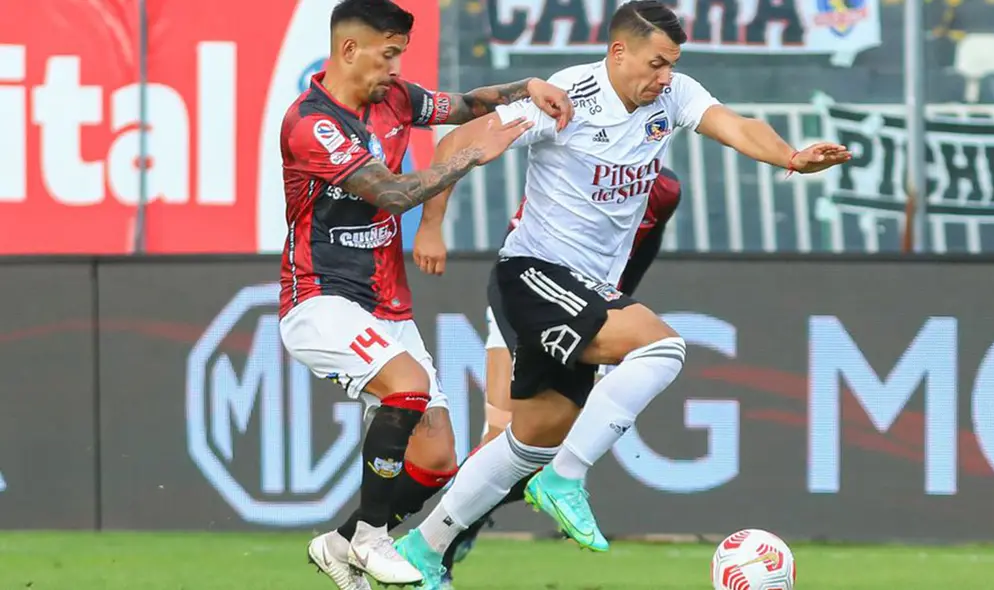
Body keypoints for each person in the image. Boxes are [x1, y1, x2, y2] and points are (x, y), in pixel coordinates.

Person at [395, 1, 850, 587]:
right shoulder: (565, 98)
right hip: (535, 273)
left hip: (581, 288)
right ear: (618, 52)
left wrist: (790, 155)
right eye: (656, 63)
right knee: (662, 349)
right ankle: (566, 477)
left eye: (672, 65)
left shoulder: (673, 95)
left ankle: (422, 550)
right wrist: (430, 224)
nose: (665, 76)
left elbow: (735, 126)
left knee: (528, 441)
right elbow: (464, 139)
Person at [275, 0, 573, 588]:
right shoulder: (312, 123)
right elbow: (391, 193)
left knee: (436, 460)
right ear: (349, 49)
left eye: (401, 54)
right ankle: (370, 538)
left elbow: (461, 105)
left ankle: (336, 546)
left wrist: (527, 87)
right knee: (407, 387)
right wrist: (466, 156)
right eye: (389, 54)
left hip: (386, 304)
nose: (396, 66)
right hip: (319, 298)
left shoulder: (396, 99)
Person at [413, 168, 683, 584]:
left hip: (590, 302)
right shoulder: (575, 163)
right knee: (504, 431)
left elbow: (639, 253)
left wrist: (619, 313)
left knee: (534, 444)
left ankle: (446, 533)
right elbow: (519, 249)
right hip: (526, 292)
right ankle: (433, 543)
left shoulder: (662, 190)